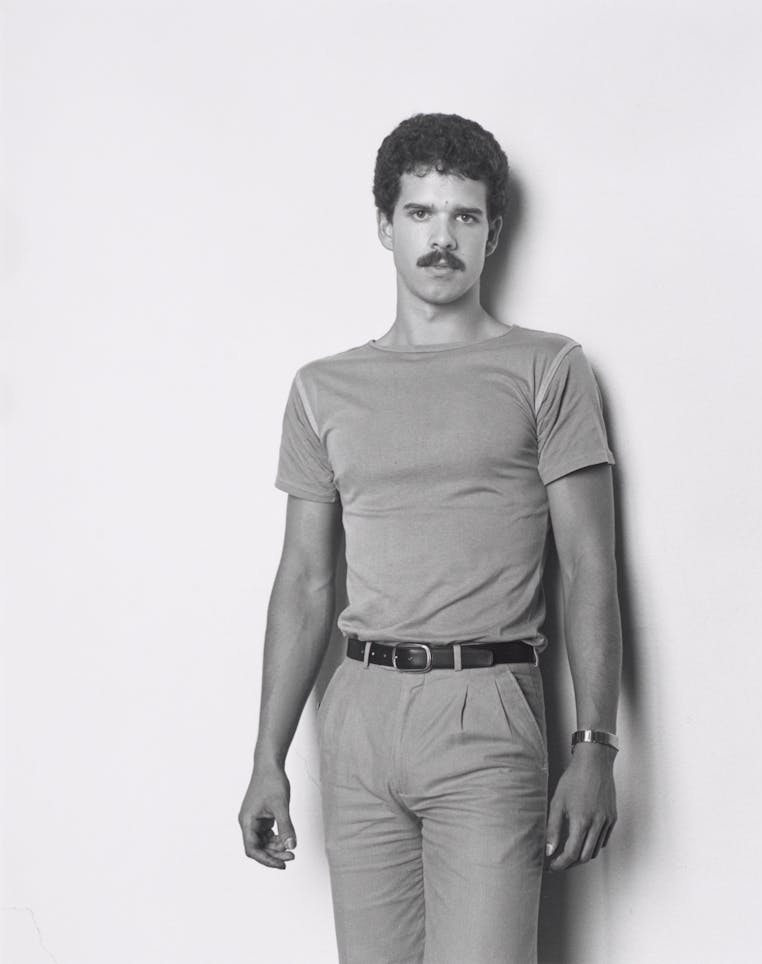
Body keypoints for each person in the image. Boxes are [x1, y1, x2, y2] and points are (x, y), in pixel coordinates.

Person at [238, 112, 623, 964]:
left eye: (464, 216)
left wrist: (595, 745)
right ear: (386, 225)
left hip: (486, 704)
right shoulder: (323, 388)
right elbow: (304, 581)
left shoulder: (548, 368)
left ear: (493, 232)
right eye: (420, 213)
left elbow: (590, 566)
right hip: (359, 712)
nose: (442, 238)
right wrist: (268, 755)